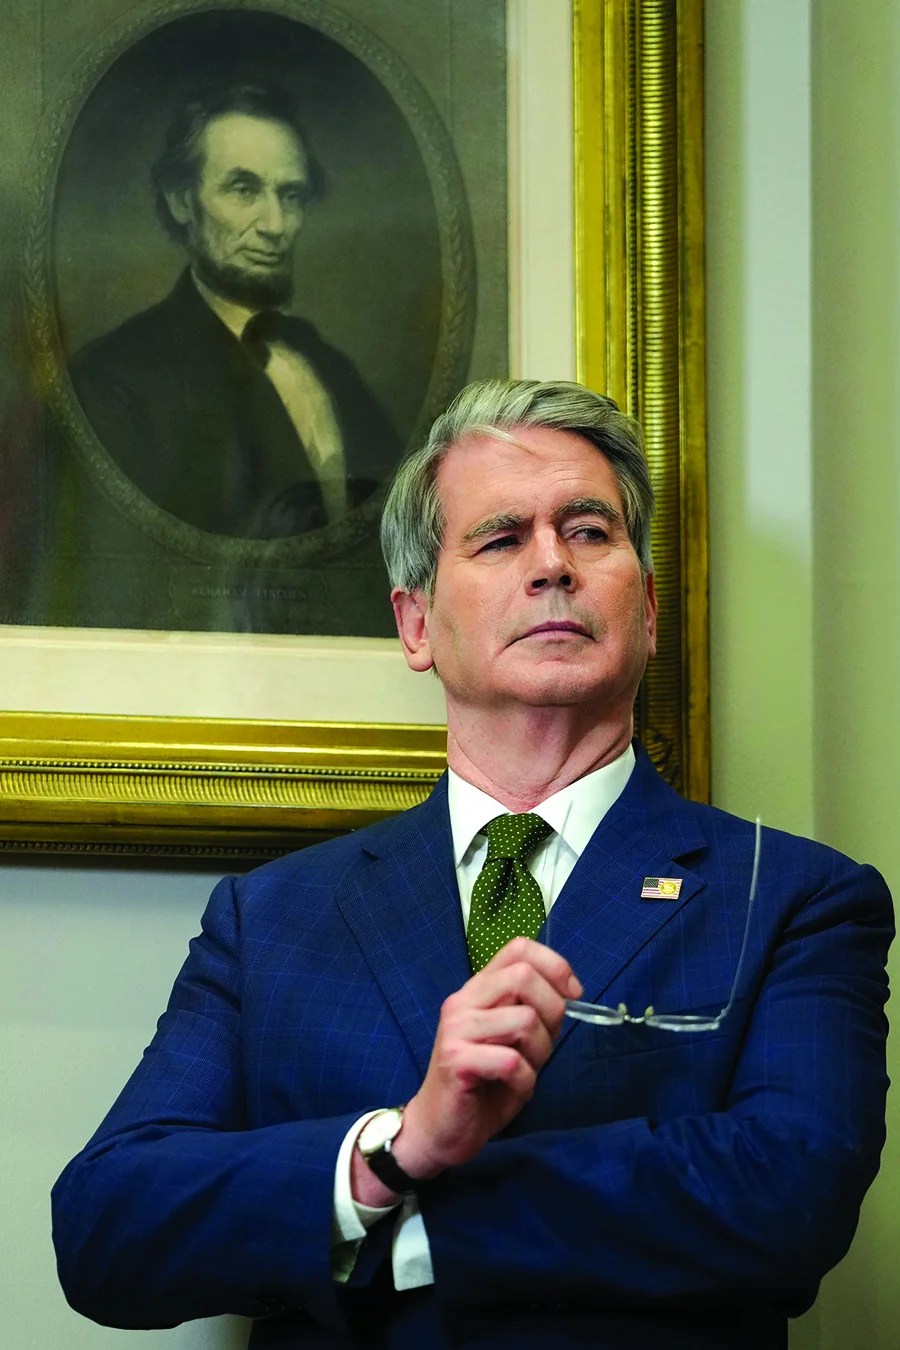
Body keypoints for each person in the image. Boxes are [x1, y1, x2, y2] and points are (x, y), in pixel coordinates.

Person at [52, 379, 892, 1349]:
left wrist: (405, 1216)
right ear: (416, 624)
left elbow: (788, 1198)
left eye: (588, 531)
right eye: (500, 538)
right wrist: (393, 1148)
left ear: (649, 607)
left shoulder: (793, 898)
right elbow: (107, 1228)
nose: (552, 565)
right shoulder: (270, 918)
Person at [69, 79, 400, 538]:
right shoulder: (113, 380)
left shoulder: (327, 364)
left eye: (291, 196)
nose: (275, 225)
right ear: (181, 200)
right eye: (243, 190)